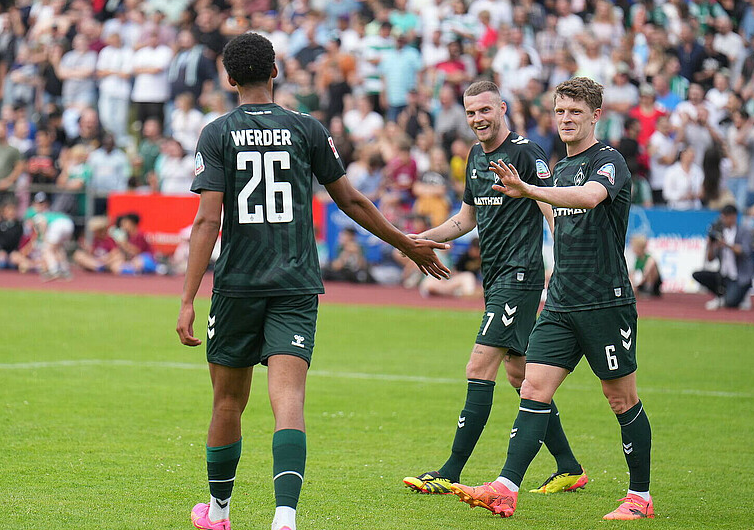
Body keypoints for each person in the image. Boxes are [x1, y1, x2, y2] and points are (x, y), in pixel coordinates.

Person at [176, 32, 449, 530]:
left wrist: (189, 298)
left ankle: (218, 513)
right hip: (297, 283)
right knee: (290, 402)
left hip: (238, 285)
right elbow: (352, 200)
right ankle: (285, 517)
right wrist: (406, 243)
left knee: (227, 401)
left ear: (229, 78)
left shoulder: (216, 133)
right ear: (276, 72)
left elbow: (206, 222)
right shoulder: (306, 128)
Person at [447, 77, 654, 521]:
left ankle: (640, 497)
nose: (565, 120)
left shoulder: (609, 162)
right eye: (560, 112)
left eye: (575, 113)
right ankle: (505, 487)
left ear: (596, 115)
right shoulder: (559, 168)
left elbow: (589, 198)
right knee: (532, 387)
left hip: (604, 301)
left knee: (621, 399)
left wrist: (530, 190)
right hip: (559, 301)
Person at [403, 81, 585, 496]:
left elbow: (549, 202)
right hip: (496, 278)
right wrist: (418, 239)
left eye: (485, 110)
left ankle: (449, 471)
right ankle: (569, 466)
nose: (477, 119)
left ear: (502, 108)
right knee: (521, 376)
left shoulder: (525, 152)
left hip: (519, 277)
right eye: (470, 113)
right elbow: (466, 219)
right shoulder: (474, 157)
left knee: (478, 367)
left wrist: (564, 263)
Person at [693, 204, 754, 310]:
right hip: (724, 275)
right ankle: (722, 296)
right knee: (698, 275)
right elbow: (710, 259)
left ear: (733, 217)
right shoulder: (720, 233)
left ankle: (738, 297)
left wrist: (726, 244)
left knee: (731, 303)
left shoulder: (744, 231)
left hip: (740, 277)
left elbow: (744, 251)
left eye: (725, 217)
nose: (723, 220)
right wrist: (711, 246)